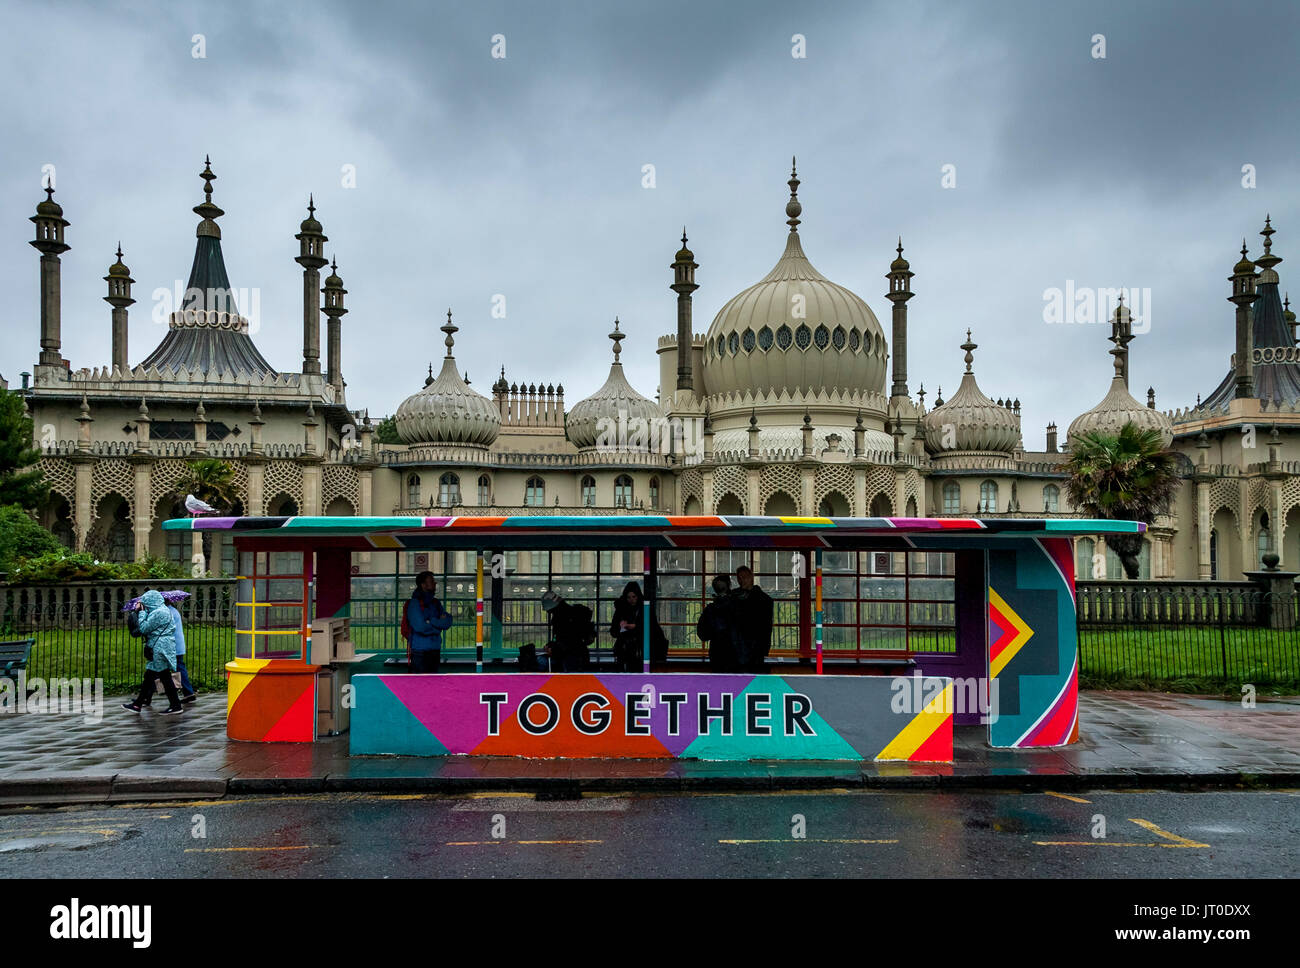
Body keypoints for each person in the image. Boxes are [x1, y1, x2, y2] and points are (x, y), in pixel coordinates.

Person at [122, 590, 183, 714]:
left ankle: (175, 706)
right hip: (162, 646)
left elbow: (144, 628)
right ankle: (138, 704)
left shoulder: (158, 612)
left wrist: (142, 612)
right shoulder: (163, 610)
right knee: (153, 676)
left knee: (162, 677)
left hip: (159, 647)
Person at [609, 581, 668, 672]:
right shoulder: (621, 610)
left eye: (634, 597)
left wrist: (635, 627)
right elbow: (613, 631)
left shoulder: (645, 608)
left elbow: (653, 628)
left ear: (638, 597)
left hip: (643, 649)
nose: (631, 600)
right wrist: (620, 627)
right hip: (627, 650)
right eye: (629, 597)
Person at [403, 571, 454, 673]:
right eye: (431, 581)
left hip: (435, 650)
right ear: (423, 585)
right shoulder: (414, 603)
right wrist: (438, 626)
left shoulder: (436, 602)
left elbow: (448, 622)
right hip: (420, 652)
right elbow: (420, 627)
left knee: (433, 681)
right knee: (419, 681)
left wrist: (431, 621)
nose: (435, 583)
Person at [696, 575, 742, 672]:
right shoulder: (738, 606)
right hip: (735, 652)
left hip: (716, 652)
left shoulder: (710, 609)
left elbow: (702, 634)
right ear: (729, 586)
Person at [733, 565, 774, 672]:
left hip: (754, 645)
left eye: (744, 577)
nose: (741, 581)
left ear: (751, 577)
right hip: (740, 645)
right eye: (739, 578)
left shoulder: (734, 596)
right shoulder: (764, 599)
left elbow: (766, 626)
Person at [540, 590, 594, 672]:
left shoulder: (562, 617)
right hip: (579, 655)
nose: (548, 612)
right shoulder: (568, 614)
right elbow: (561, 638)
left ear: (553, 607)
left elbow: (568, 640)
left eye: (549, 610)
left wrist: (553, 649)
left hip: (572, 658)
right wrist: (551, 645)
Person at [167, 601, 198, 703]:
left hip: (172, 645)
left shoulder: (168, 612)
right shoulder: (173, 611)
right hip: (177, 645)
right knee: (178, 668)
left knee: (158, 670)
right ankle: (188, 692)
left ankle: (188, 692)